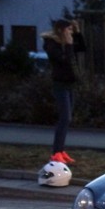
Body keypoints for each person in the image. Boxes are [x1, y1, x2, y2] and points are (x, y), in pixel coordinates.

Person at [42, 19, 84, 164]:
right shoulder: (51, 44)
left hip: (70, 83)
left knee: (68, 118)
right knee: (64, 118)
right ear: (61, 30)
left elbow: (82, 48)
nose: (70, 33)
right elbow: (64, 60)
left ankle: (61, 150)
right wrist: (69, 45)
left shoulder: (68, 43)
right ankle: (56, 152)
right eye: (69, 30)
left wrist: (77, 33)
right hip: (60, 84)